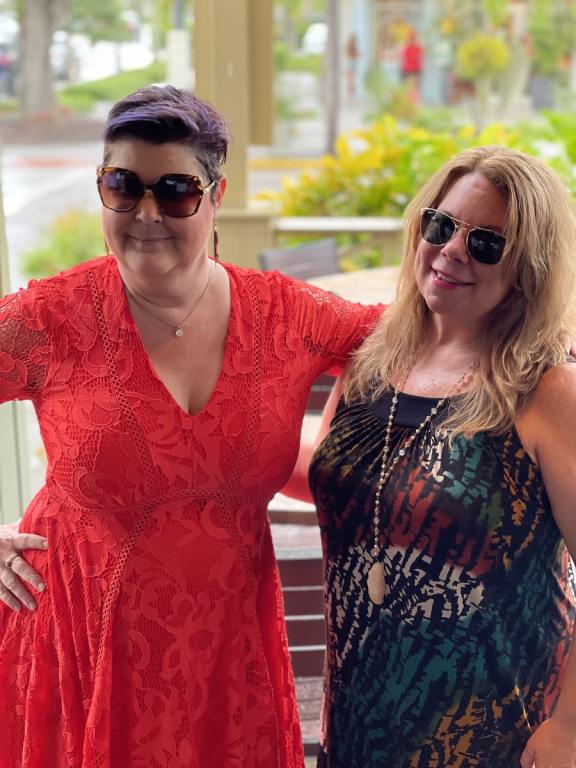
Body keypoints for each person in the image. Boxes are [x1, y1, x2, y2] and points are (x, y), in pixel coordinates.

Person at [0, 85, 382, 767]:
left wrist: (534, 333)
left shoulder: (286, 316)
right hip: (80, 646)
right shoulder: (50, 320)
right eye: (122, 186)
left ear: (217, 195)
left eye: (175, 191)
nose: (146, 213)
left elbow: (407, 337)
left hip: (225, 663)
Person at [291, 146, 576, 767]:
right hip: (361, 715)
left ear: (529, 266)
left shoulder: (547, 390)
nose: (451, 251)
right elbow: (336, 476)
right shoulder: (371, 361)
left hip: (498, 727)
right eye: (441, 226)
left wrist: (569, 730)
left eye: (487, 243)